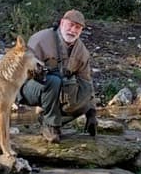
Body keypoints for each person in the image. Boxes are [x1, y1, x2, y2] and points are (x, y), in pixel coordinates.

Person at [19, 9, 98, 142]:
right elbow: (21, 70)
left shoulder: (82, 52)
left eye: (77, 27)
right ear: (62, 23)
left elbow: (86, 83)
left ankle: (49, 120)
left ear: (81, 31)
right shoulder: (40, 39)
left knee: (83, 101)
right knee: (53, 80)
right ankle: (51, 126)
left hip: (57, 91)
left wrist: (91, 113)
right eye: (70, 25)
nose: (73, 30)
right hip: (28, 88)